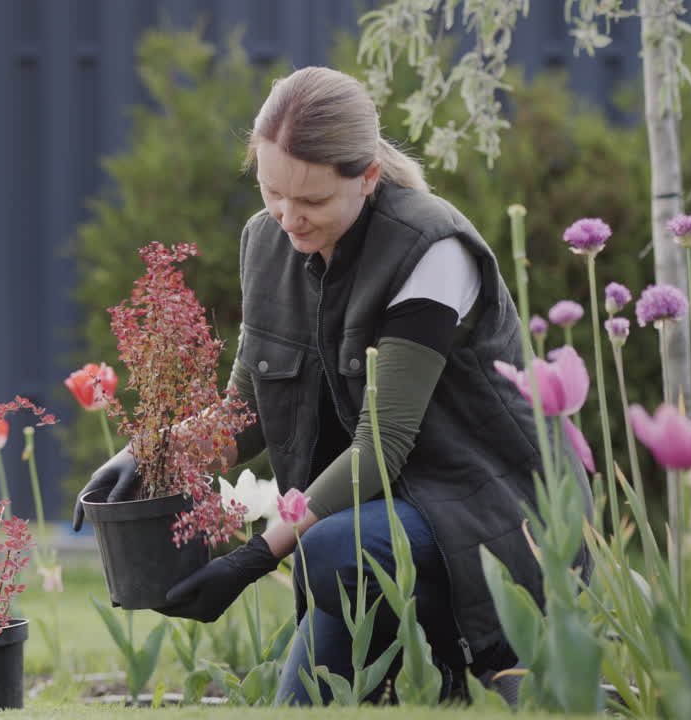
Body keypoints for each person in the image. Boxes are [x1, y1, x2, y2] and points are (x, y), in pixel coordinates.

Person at [72, 66, 592, 706]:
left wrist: (256, 555)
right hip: (369, 516)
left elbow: (384, 444)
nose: (289, 218)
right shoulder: (266, 244)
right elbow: (248, 410)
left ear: (368, 177)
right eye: (271, 191)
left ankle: (469, 674)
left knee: (334, 544)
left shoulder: (433, 251)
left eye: (313, 201)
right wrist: (149, 456)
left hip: (485, 508)